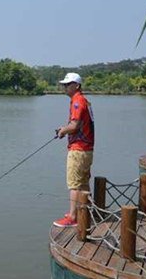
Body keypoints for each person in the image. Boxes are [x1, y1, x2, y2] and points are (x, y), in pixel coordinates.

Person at [53, 72, 95, 228]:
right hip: (87, 150)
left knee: (74, 184)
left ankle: (73, 217)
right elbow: (77, 126)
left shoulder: (77, 101)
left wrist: (63, 131)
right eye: (64, 84)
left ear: (76, 85)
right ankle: (85, 212)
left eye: (68, 84)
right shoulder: (84, 101)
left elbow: (75, 125)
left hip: (78, 149)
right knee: (83, 183)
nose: (65, 87)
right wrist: (64, 129)